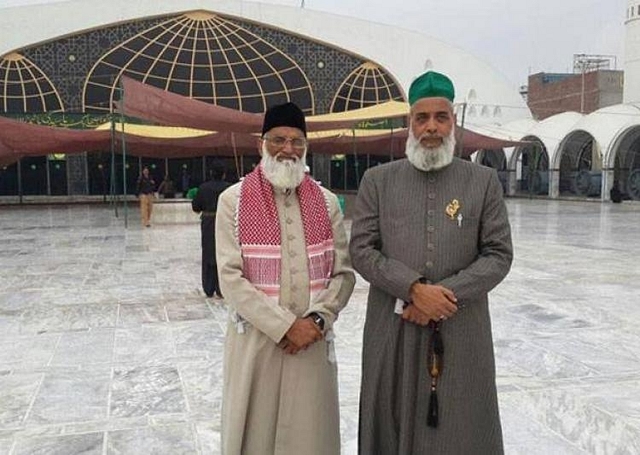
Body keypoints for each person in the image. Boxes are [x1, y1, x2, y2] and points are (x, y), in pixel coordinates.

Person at [349, 71, 513, 454]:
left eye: (441, 117)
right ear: (410, 124)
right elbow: (361, 249)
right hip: (394, 325)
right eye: (422, 118)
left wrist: (443, 298)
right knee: (391, 414)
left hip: (461, 325)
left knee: (461, 422)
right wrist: (413, 290)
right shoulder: (378, 181)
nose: (431, 128)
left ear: (453, 123)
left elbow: (498, 254)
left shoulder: (483, 181)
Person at [215, 102, 355, 455]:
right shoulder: (232, 201)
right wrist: (283, 325)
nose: (288, 149)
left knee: (310, 438)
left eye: (297, 141)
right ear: (261, 143)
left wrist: (317, 320)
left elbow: (343, 273)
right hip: (258, 344)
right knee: (256, 438)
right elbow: (230, 279)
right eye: (279, 139)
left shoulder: (326, 202)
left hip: (311, 341)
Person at [191, 161, 230, 298]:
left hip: (208, 223)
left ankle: (208, 287)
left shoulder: (203, 188)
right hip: (225, 221)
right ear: (224, 174)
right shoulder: (229, 188)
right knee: (224, 251)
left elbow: (196, 207)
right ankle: (221, 287)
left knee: (208, 252)